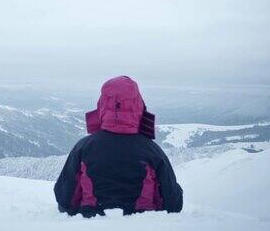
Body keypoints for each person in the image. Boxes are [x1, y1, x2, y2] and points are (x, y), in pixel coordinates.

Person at [54, 76, 183, 217]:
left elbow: (63, 197)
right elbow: (174, 204)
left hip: (92, 223)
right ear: (138, 106)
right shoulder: (152, 151)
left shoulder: (84, 147)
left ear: (102, 105)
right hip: (143, 224)